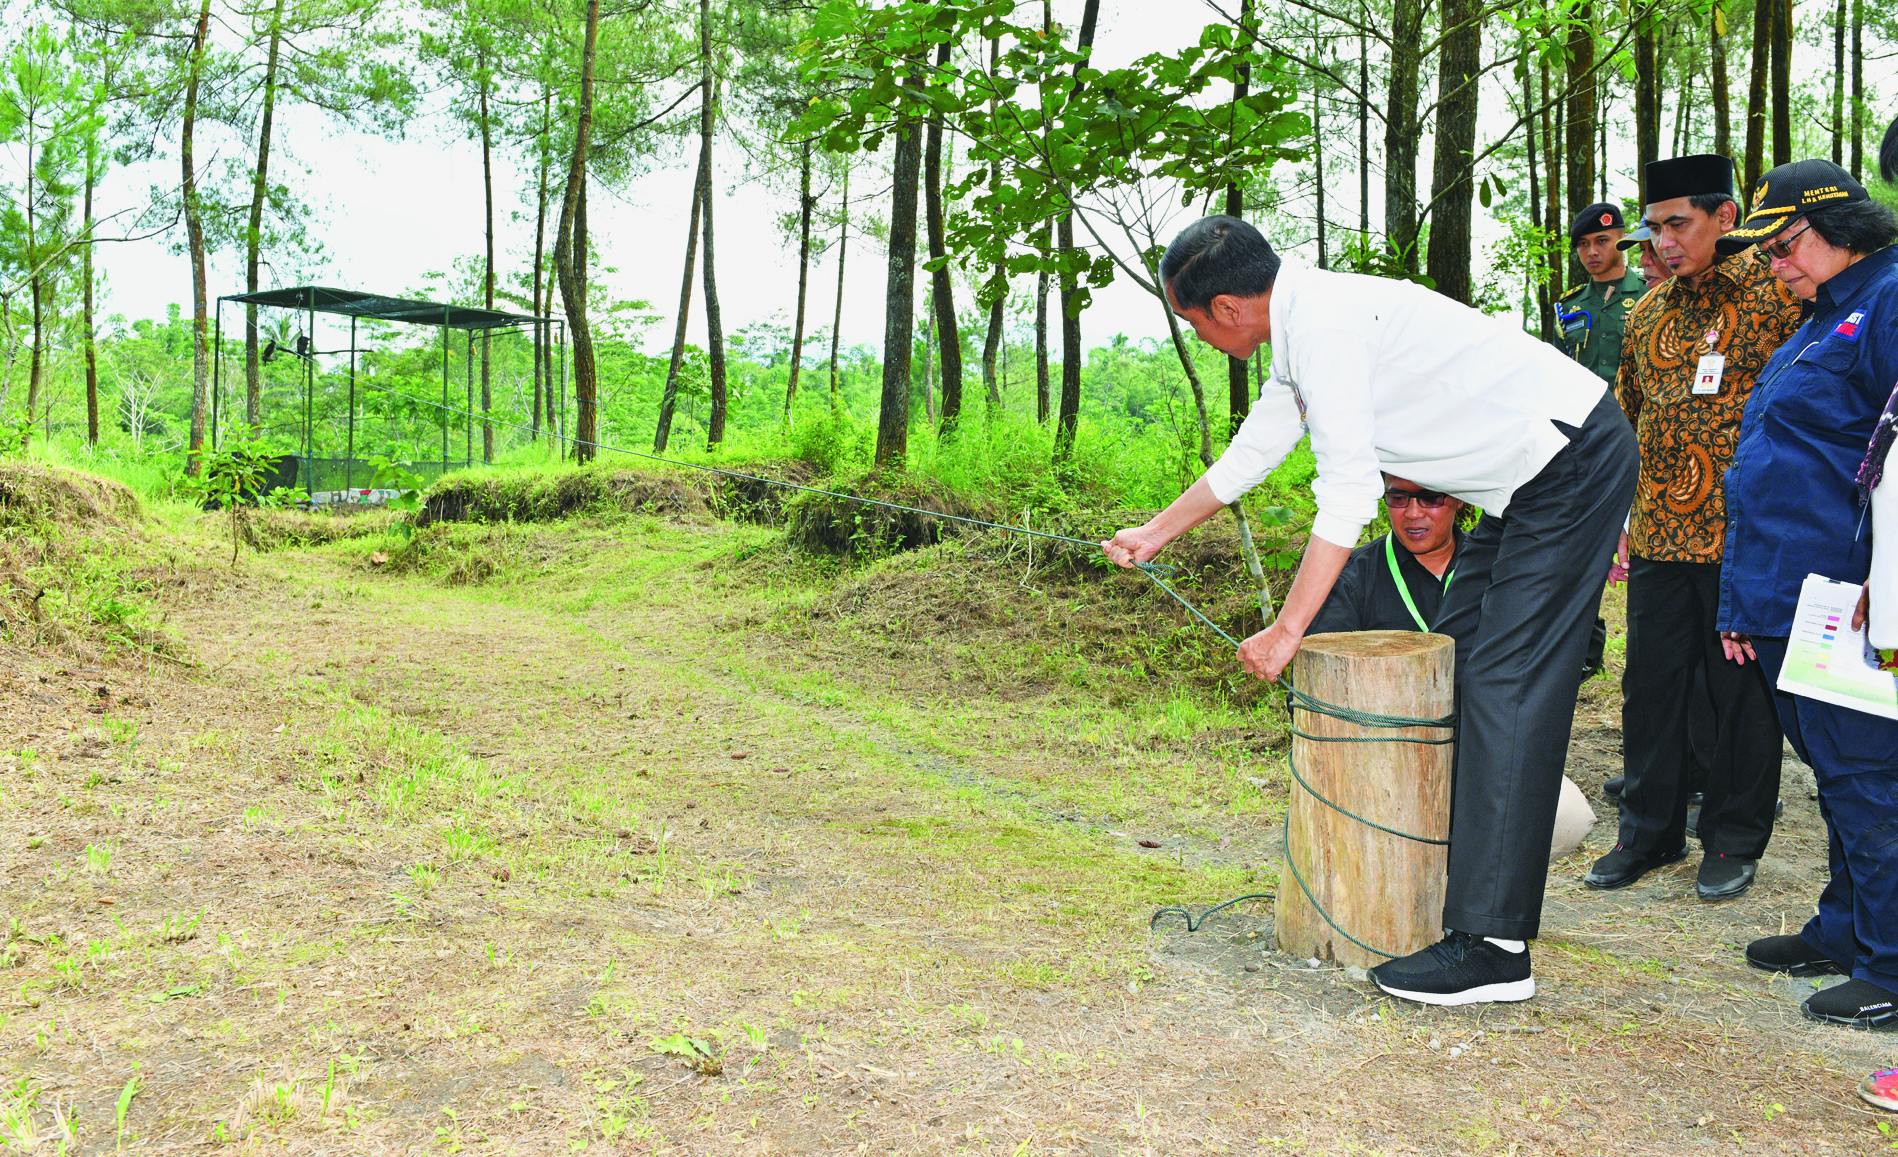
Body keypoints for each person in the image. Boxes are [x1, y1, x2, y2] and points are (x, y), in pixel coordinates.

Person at [1103, 215, 1637, 1007]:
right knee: (1455, 661)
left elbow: (1349, 496)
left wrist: (1288, 631)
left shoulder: (1324, 328)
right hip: (1517, 485)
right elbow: (1256, 449)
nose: (1204, 339)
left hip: (1568, 465)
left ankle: (1495, 946)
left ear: (1224, 308)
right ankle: (1454, 875)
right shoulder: (1302, 327)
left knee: (1505, 680)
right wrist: (1156, 532)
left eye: (1194, 323)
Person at [1711, 156, 1898, 1029]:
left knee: (1866, 776)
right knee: (1833, 773)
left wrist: (1886, 579)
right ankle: (1845, 928)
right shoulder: (1818, 319)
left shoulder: (1889, 299)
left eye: (1783, 245)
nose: (1773, 264)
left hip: (1850, 594)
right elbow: (1774, 468)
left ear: (1838, 228)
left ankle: (1889, 962)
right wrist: (1742, 603)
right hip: (1788, 594)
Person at [1586, 154, 1802, 902]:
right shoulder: (1647, 313)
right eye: (1655, 228)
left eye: (1678, 224)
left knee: (1740, 695)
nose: (1664, 242)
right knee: (1650, 688)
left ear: (1725, 216)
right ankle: (1648, 832)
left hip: (1744, 539)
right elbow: (1625, 422)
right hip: (1657, 536)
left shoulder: (1777, 294)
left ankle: (1733, 837)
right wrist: (1617, 516)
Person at [1554, 202, 1650, 385]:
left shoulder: (1650, 295)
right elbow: (1559, 376)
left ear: (1623, 240)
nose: (1592, 252)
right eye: (1583, 243)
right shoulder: (1567, 309)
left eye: (1602, 240)